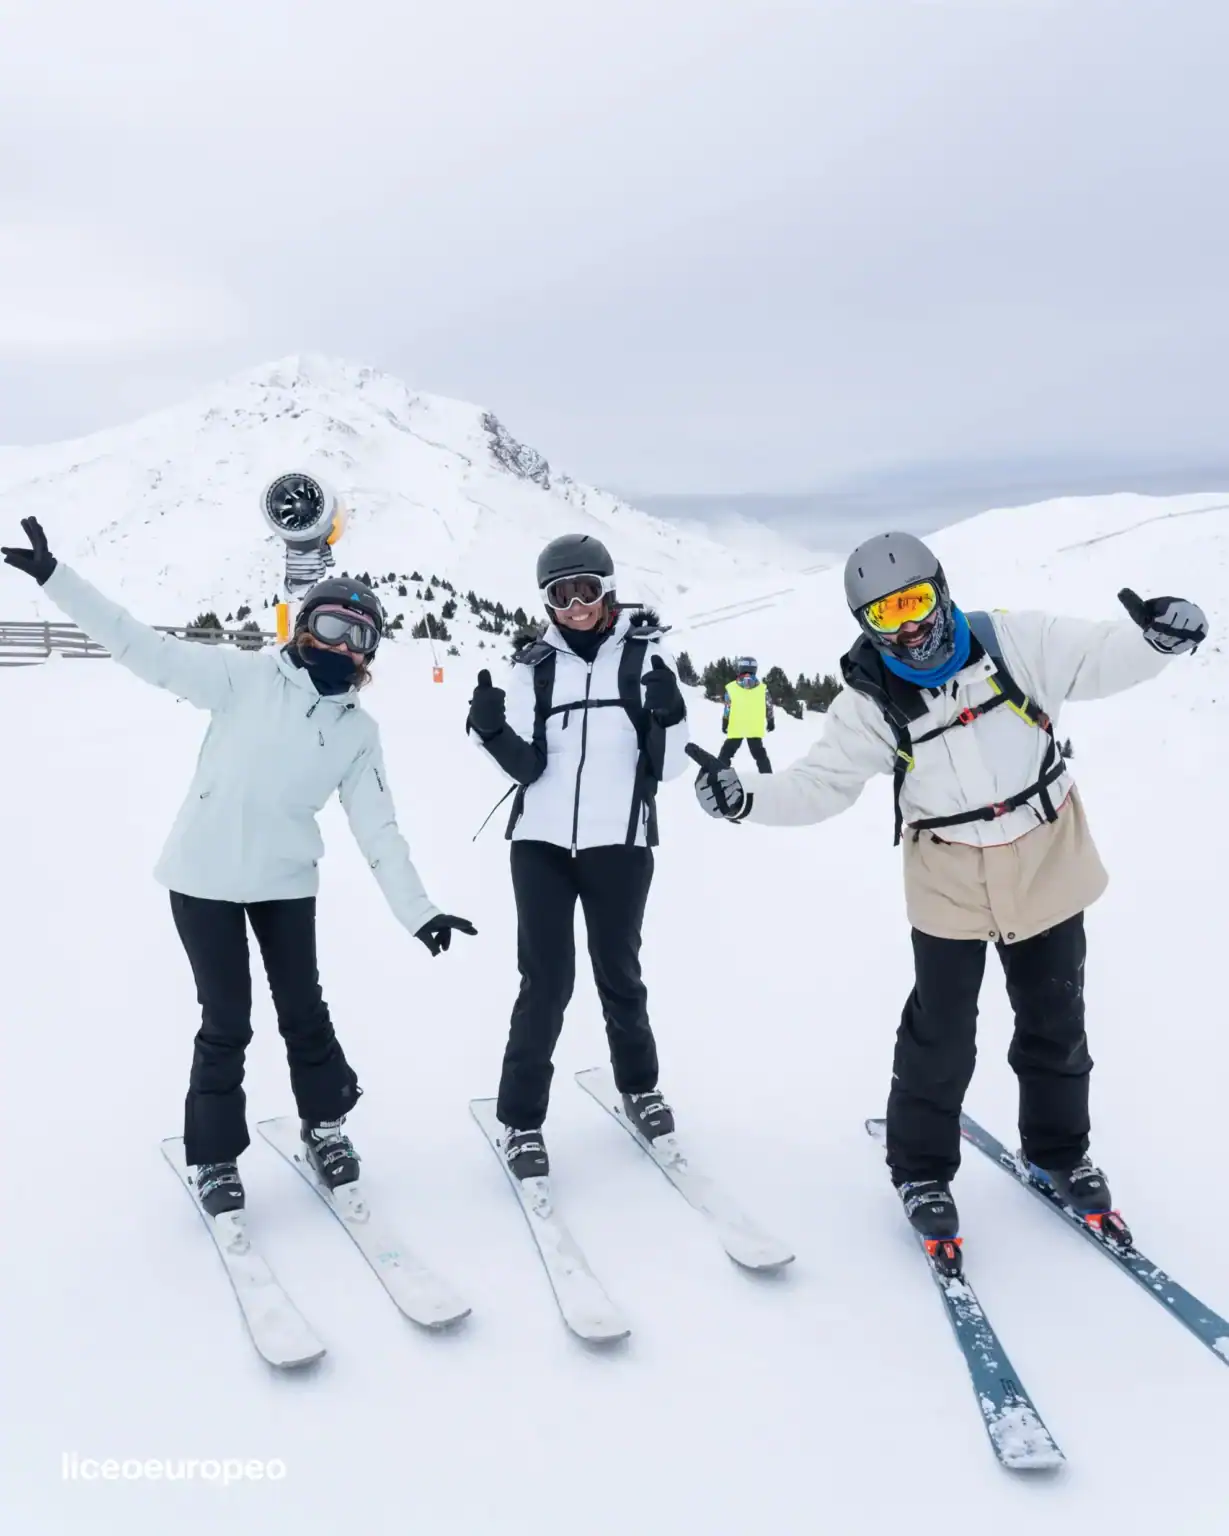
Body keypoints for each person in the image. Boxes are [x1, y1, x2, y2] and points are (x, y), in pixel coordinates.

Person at [688, 529, 1206, 1264]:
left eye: (915, 602)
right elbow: (818, 784)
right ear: (863, 624)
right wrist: (746, 799)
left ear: (941, 589)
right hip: (948, 871)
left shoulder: (1013, 642)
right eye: (883, 615)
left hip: (1043, 854)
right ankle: (922, 1171)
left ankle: (1058, 1152)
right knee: (940, 1034)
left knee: (1055, 1018)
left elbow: (1098, 658)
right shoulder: (869, 702)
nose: (906, 626)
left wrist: (1155, 641)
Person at [1, 517, 475, 1218]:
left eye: (357, 636)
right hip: (203, 879)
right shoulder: (242, 677)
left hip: (285, 885)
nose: (340, 645)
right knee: (227, 1020)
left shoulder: (356, 732)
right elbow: (141, 646)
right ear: (304, 626)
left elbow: (380, 831)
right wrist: (54, 577)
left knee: (305, 1013)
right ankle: (216, 1157)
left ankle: (325, 1125)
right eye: (330, 626)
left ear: (370, 651)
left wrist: (419, 910)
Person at [466, 533, 690, 1178]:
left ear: (607, 589)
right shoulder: (535, 664)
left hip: (619, 842)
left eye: (586, 590)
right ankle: (521, 1120)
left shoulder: (648, 656)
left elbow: (668, 768)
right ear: (547, 602)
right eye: (560, 595)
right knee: (546, 982)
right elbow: (529, 766)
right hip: (541, 845)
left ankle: (640, 1086)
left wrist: (668, 717)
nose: (576, 605)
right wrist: (490, 730)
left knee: (618, 972)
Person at [719, 656, 774, 772]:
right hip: (754, 728)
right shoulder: (763, 689)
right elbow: (769, 705)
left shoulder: (731, 687)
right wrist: (770, 721)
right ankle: (768, 777)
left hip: (737, 726)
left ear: (740, 668)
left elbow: (727, 707)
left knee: (726, 754)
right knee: (759, 755)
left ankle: (719, 775)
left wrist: (725, 721)